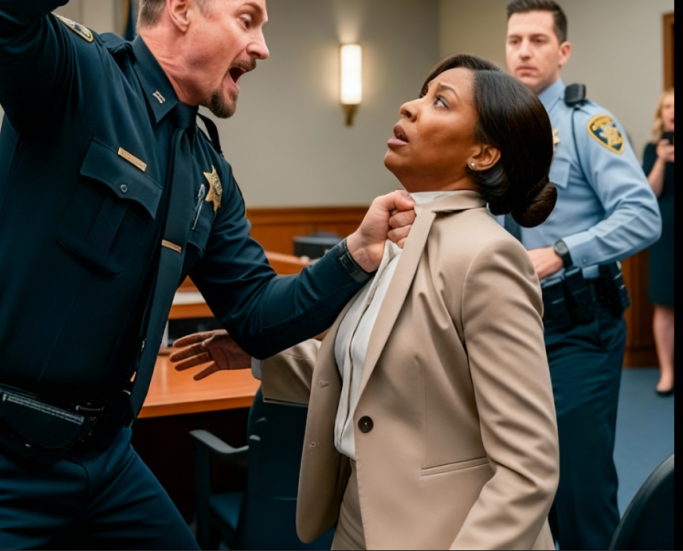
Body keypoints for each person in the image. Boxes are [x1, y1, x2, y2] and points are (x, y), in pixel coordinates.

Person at [0, 0, 415, 550]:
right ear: (181, 9)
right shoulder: (80, 81)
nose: (265, 47)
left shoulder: (208, 168)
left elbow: (256, 317)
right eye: (248, 19)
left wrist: (355, 255)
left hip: (104, 459)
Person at [171, 53, 561, 550]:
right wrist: (256, 352)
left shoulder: (488, 256)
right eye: (421, 93)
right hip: (365, 516)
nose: (409, 106)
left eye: (439, 101)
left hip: (450, 532)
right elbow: (383, 376)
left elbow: (529, 468)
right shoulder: (399, 233)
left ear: (482, 155)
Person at [503, 0, 662, 551]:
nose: (524, 52)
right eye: (515, 40)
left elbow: (643, 216)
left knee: (579, 483)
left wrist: (561, 252)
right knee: (524, 479)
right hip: (513, 327)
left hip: (579, 326)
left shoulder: (584, 123)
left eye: (538, 40)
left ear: (563, 51)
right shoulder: (501, 131)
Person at [643, 87, 674, 395]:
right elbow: (649, 193)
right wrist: (662, 161)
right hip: (665, 236)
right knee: (664, 305)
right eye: (668, 106)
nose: (672, 111)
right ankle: (667, 373)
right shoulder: (652, 149)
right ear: (661, 113)